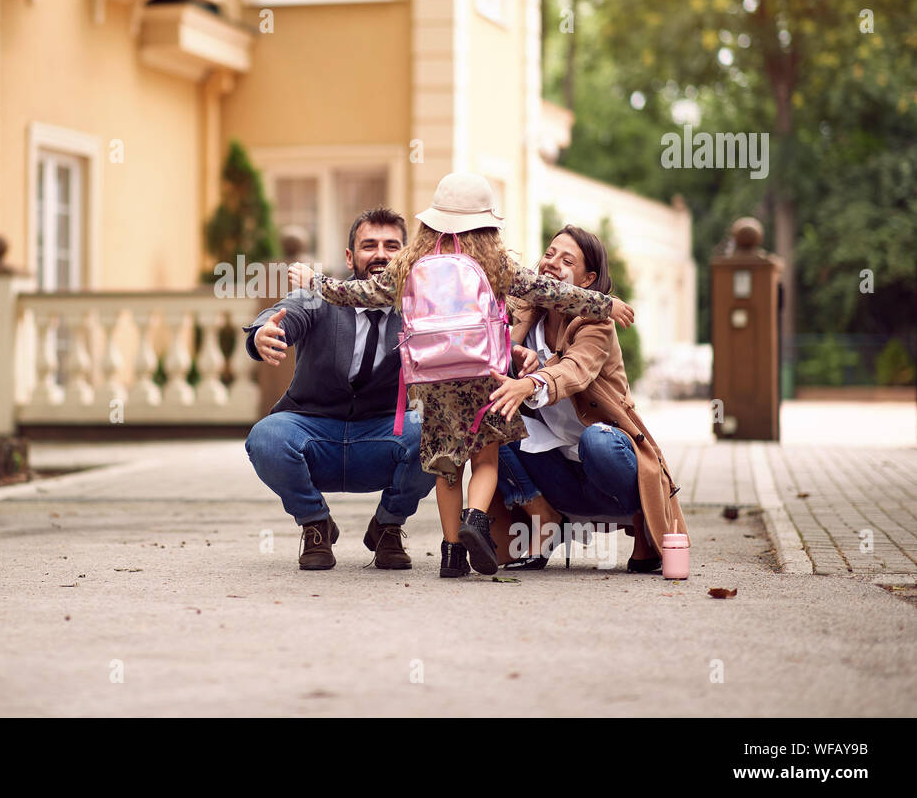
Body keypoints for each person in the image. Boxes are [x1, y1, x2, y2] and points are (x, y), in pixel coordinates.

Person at [288, 174, 634, 577]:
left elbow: (360, 294)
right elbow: (549, 291)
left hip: (433, 376)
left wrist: (315, 281)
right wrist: (603, 303)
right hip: (483, 372)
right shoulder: (495, 262)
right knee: (485, 459)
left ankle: (452, 554)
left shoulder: (411, 260)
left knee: (446, 467)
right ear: (486, 223)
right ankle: (476, 519)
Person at [483, 224, 690, 573]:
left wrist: (531, 383)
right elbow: (491, 355)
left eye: (566, 260)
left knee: (598, 442)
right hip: (555, 473)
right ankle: (543, 518)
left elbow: (575, 371)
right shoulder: (523, 314)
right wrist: (515, 353)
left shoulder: (597, 323)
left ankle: (642, 525)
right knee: (489, 420)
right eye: (549, 254)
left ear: (587, 280)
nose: (551, 263)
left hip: (608, 466)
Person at [243, 208, 436, 571]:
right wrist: (262, 333)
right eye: (369, 245)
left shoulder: (419, 310)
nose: (380, 254)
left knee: (436, 432)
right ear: (350, 257)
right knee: (266, 437)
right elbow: (286, 313)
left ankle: (387, 527)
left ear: (406, 254)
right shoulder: (320, 297)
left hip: (382, 436)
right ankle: (315, 524)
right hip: (314, 433)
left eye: (392, 245)